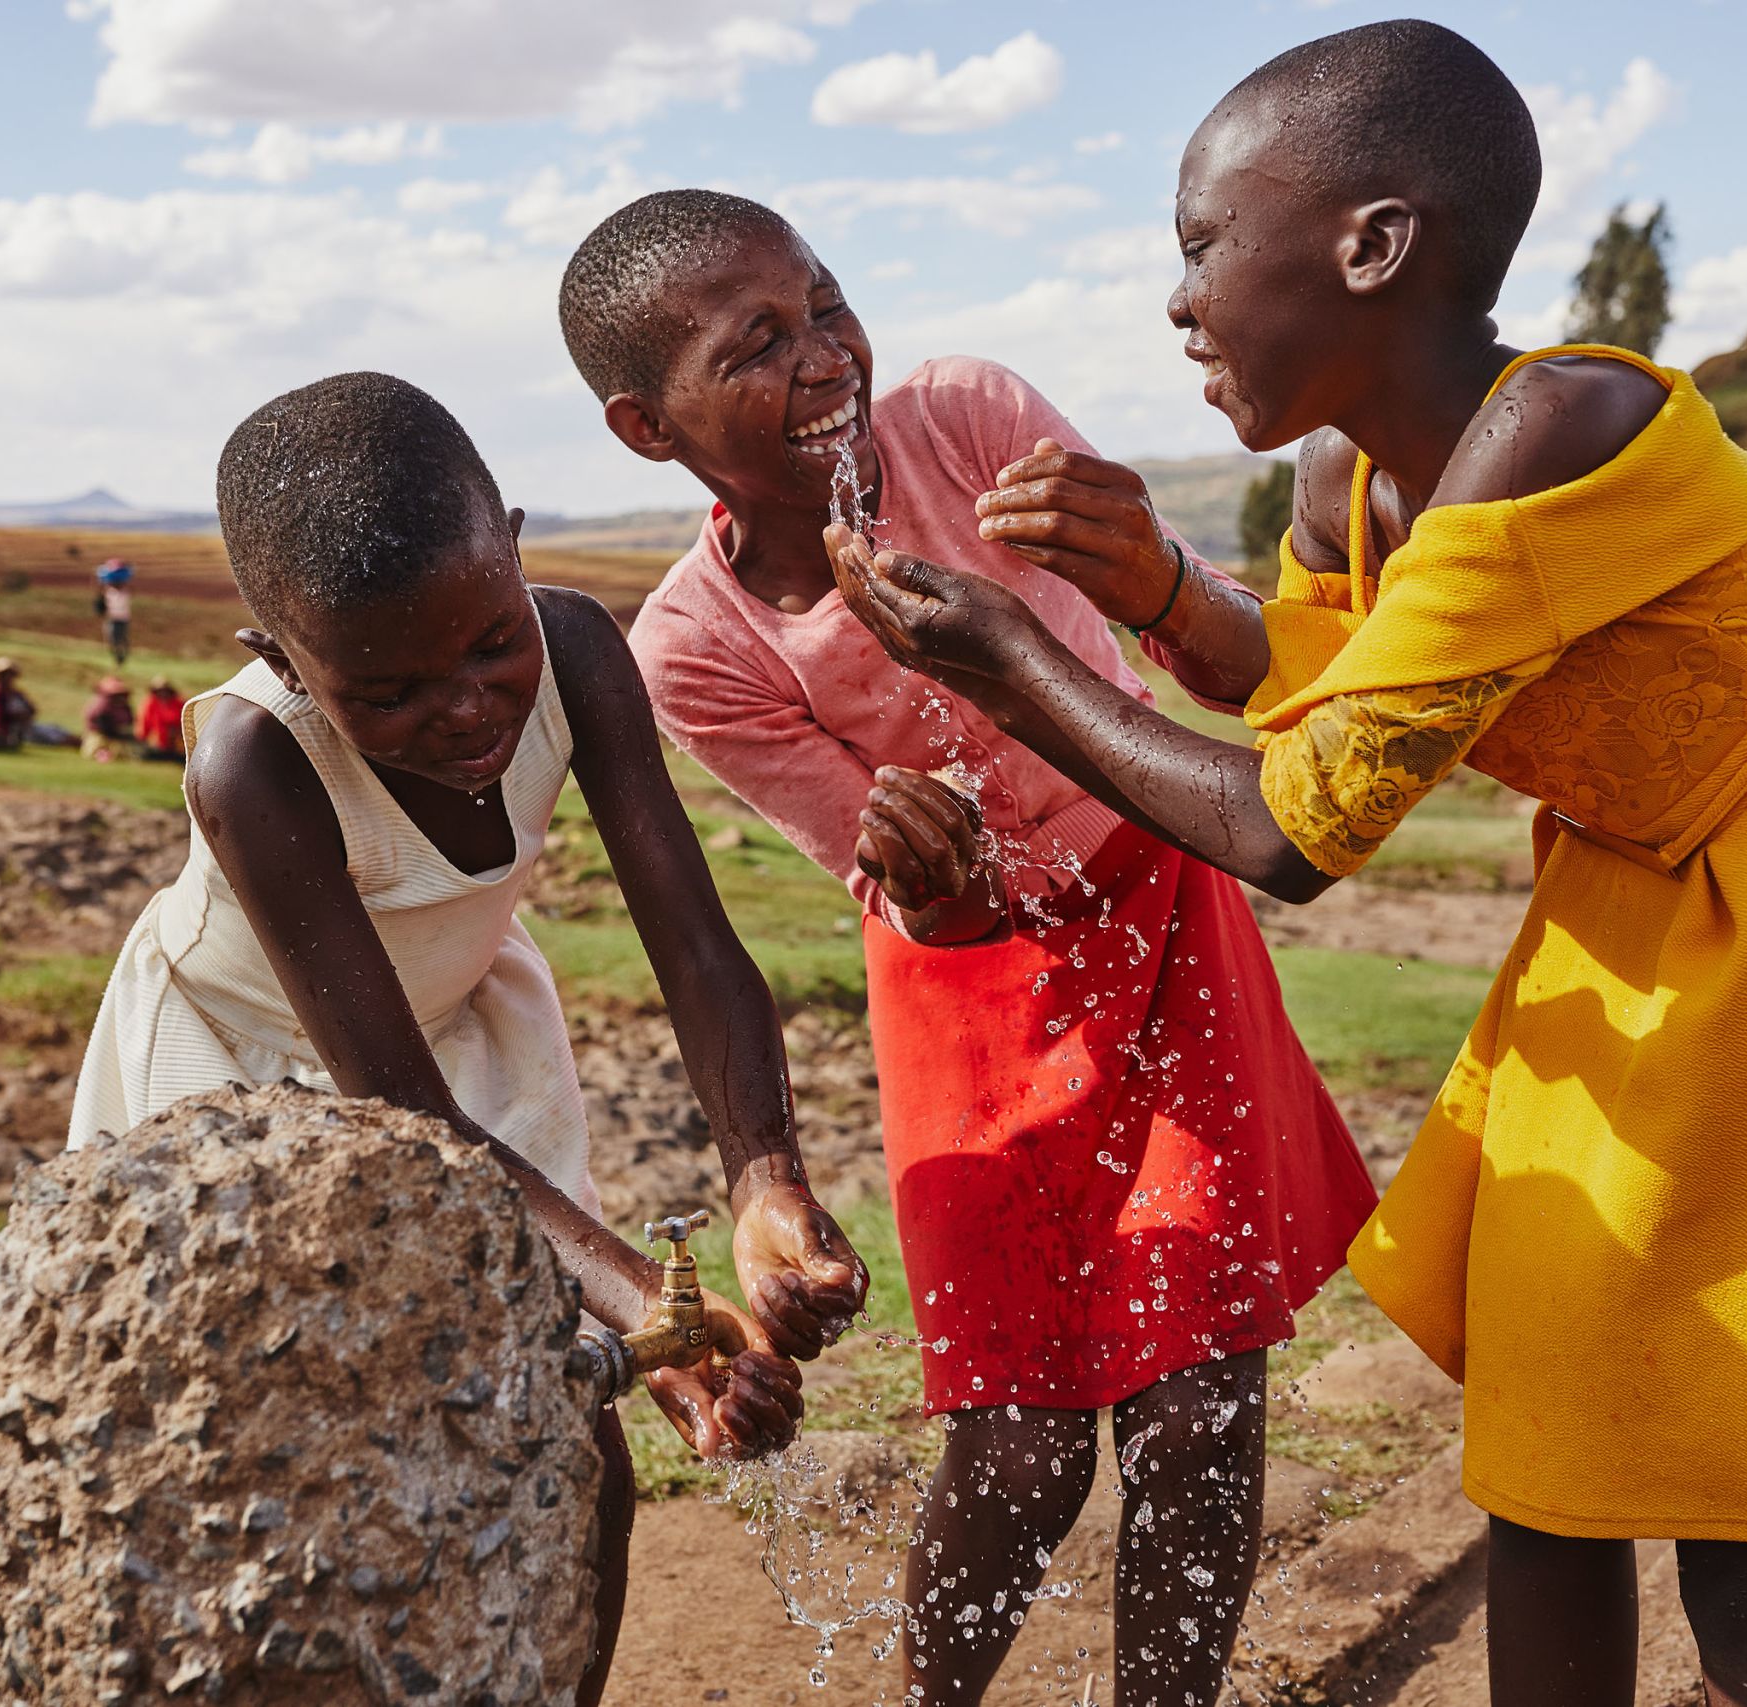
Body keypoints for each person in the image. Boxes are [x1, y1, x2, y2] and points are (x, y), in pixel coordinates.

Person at [821, 23, 1747, 1707]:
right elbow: (1315, 679)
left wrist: (1017, 665)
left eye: (1202, 242)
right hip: (1645, 883)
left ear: (1371, 246)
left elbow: (1296, 827)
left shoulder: (1558, 427)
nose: (1176, 295)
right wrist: (1150, 587)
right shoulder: (1346, 477)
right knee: (1547, 1420)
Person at [565, 190, 1379, 1707]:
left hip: (1157, 897)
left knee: (1200, 1401)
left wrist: (1146, 577)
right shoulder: (696, 645)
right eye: (759, 345)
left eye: (824, 305)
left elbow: (1182, 647)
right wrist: (924, 873)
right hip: (967, 999)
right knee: (1018, 1438)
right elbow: (921, 905)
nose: (826, 357)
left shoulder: (963, 419)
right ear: (647, 427)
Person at [69, 371, 869, 1704]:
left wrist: (762, 1174)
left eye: (491, 640)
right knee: (264, 1461)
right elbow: (396, 1112)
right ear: (280, 656)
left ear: (511, 536)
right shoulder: (253, 765)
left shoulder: (578, 653)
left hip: (454, 1028)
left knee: (571, 1432)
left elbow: (693, 941)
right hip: (247, 1073)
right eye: (387, 690)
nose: (467, 705)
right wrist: (643, 1298)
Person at [94, 558, 134, 664]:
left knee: (122, 639)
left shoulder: (124, 592)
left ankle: (122, 656)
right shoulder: (108, 592)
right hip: (112, 619)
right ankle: (118, 657)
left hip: (123, 619)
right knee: (112, 640)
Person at [137, 674, 184, 761]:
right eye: (159, 691)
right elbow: (144, 724)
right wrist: (143, 738)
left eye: (165, 690)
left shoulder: (179, 703)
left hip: (177, 742)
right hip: (157, 742)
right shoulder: (149, 704)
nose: (163, 693)